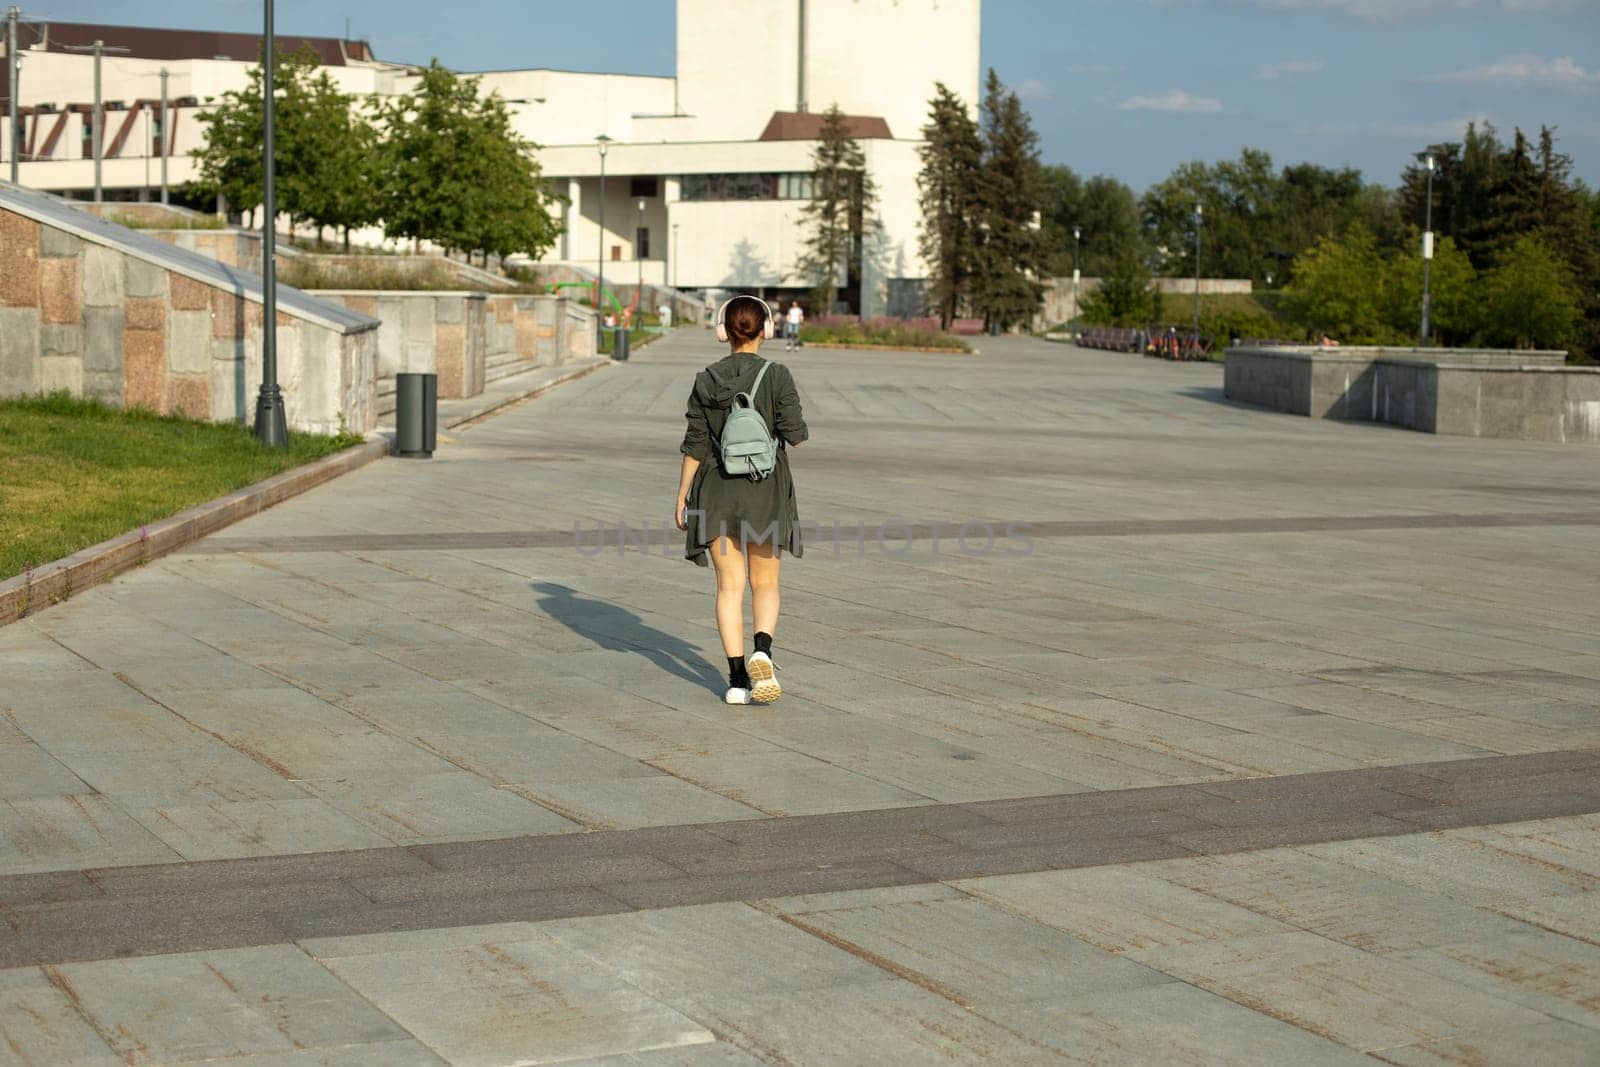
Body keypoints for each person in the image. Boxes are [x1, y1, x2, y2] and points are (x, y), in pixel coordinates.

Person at [675, 296, 809, 705]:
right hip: (764, 491)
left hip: (716, 492)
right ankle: (762, 651)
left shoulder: (706, 378)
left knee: (728, 588)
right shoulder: (778, 374)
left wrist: (682, 496)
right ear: (766, 330)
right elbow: (796, 434)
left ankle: (736, 682)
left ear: (724, 331)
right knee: (765, 583)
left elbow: (695, 443)